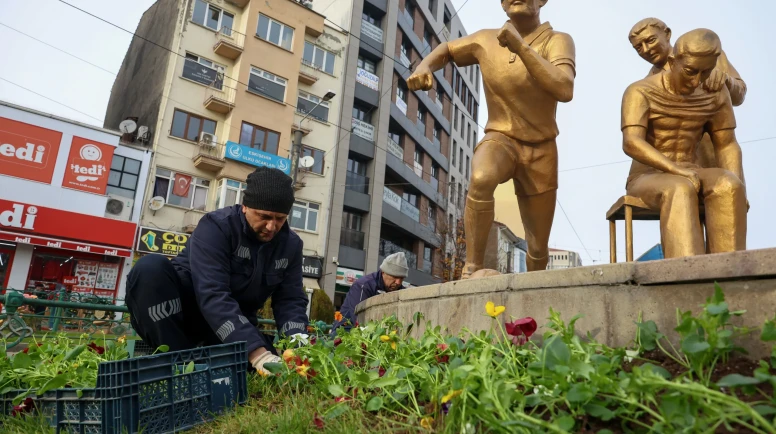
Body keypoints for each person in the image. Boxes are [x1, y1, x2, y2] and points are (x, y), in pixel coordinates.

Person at [407, 0, 575, 276]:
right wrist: (425, 66)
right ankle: (472, 267)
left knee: (537, 248)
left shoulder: (558, 41)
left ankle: (536, 293)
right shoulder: (486, 39)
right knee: (482, 177)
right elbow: (448, 49)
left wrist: (520, 47)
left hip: (541, 150)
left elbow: (564, 88)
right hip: (501, 138)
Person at [126, 167, 309, 375]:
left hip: (233, 326)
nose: (271, 226)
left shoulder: (291, 245)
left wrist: (299, 348)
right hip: (184, 315)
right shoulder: (216, 227)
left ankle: (216, 358)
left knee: (261, 363)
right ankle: (178, 363)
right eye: (264, 216)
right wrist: (256, 354)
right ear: (245, 207)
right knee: (149, 269)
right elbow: (212, 292)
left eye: (280, 219)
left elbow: (291, 300)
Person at [621, 28, 747, 258]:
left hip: (693, 169)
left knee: (729, 185)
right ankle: (688, 277)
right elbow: (631, 142)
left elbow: (726, 144)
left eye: (706, 72)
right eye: (690, 72)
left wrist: (738, 185)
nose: (697, 80)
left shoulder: (716, 92)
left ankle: (729, 273)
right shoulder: (640, 91)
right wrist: (675, 169)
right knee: (679, 187)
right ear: (673, 61)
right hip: (648, 177)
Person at [628, 17, 747, 168]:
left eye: (651, 40)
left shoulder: (706, 53)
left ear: (667, 34)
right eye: (639, 47)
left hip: (711, 154)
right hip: (668, 170)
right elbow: (637, 140)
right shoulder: (646, 87)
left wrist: (725, 80)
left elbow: (739, 96)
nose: (646, 50)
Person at [331, 252, 408, 332]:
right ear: (383, 272)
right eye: (395, 277)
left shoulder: (400, 290)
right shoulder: (363, 286)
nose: (398, 282)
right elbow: (359, 319)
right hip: (345, 330)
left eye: (402, 278)